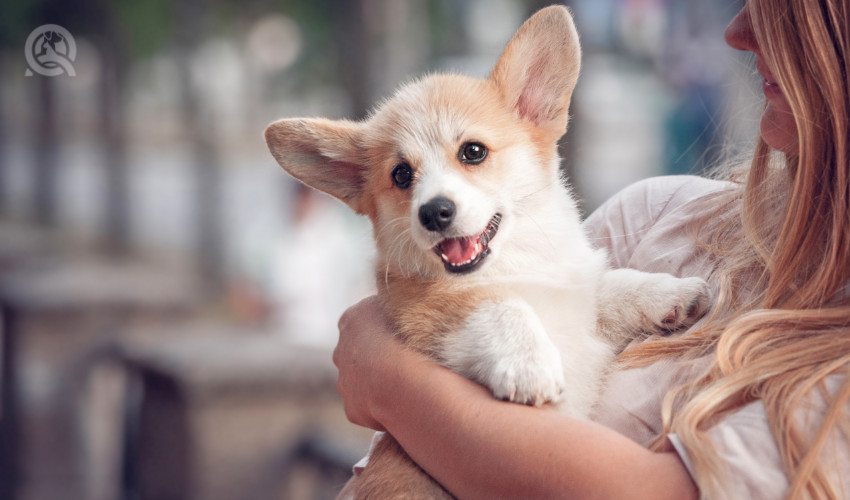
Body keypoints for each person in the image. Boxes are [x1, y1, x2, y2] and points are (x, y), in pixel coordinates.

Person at [332, 0, 850, 498]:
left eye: (472, 153)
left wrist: (390, 379)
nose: (737, 31)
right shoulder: (655, 217)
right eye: (403, 175)